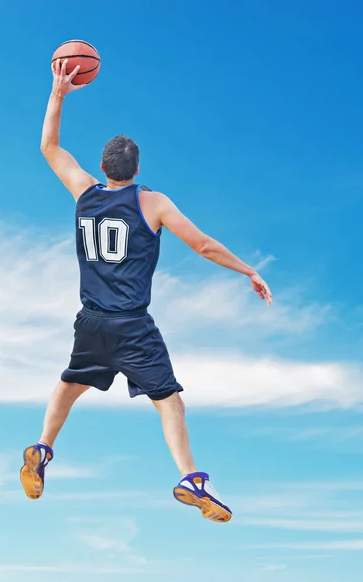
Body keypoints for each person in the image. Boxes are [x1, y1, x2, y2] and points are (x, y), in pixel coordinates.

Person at [20, 59, 273, 524]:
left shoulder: (84, 193)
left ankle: (42, 447)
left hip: (91, 322)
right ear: (137, 168)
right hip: (133, 325)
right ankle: (190, 477)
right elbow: (202, 244)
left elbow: (49, 146)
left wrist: (58, 93)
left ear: (102, 167)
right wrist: (247, 270)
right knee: (170, 401)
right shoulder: (151, 202)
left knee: (68, 385)